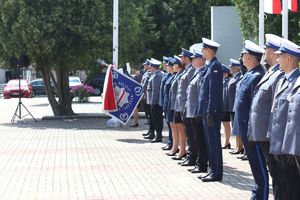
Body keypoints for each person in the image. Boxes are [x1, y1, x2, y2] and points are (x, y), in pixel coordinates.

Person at [247, 34, 284, 200]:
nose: (265, 54)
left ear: (274, 54)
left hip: (268, 134)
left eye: (267, 51)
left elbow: (275, 107)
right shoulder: (270, 72)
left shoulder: (278, 75)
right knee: (275, 175)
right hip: (261, 132)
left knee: (278, 176)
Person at [267, 39, 300, 200]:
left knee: (291, 186)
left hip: (288, 145)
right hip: (276, 141)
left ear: (290, 58)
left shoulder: (296, 81)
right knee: (279, 183)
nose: (277, 59)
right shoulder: (281, 80)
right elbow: (274, 111)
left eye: (280, 56)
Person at [233, 40, 266, 199]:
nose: (242, 58)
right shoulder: (249, 74)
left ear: (251, 57)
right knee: (253, 164)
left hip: (252, 129)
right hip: (245, 127)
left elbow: (256, 106)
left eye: (244, 55)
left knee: (259, 166)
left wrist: (252, 129)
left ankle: (262, 194)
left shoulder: (258, 75)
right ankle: (257, 192)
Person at [197, 38, 223, 182]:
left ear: (209, 50)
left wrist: (211, 111)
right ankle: (212, 170)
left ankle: (216, 172)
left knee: (213, 142)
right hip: (207, 111)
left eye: (203, 49)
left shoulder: (215, 66)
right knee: (209, 143)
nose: (202, 52)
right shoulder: (210, 66)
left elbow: (214, 92)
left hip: (211, 112)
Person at [185, 49, 208, 174]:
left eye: (195, 59)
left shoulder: (202, 73)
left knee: (199, 140)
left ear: (201, 60)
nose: (192, 61)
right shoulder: (197, 72)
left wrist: (199, 112)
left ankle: (201, 163)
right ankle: (199, 162)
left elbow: (201, 95)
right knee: (195, 138)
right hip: (191, 111)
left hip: (196, 112)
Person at [175, 48, 196, 166]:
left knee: (191, 135)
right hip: (183, 106)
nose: (180, 59)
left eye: (182, 57)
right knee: (189, 133)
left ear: (187, 58)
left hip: (188, 106)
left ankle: (192, 157)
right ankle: (190, 155)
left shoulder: (191, 71)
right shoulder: (186, 71)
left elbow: (190, 91)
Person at [167, 56, 186, 158]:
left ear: (178, 65)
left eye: (174, 64)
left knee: (180, 128)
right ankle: (175, 147)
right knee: (174, 126)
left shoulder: (181, 75)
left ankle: (182, 150)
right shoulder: (177, 75)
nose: (172, 66)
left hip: (177, 105)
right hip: (173, 104)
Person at [227, 59, 243, 154]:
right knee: (234, 126)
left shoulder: (239, 78)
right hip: (231, 105)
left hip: (235, 104)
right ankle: (237, 146)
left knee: (237, 127)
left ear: (237, 68)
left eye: (232, 67)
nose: (230, 69)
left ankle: (240, 146)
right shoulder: (233, 78)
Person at [146, 58, 164, 143]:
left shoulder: (157, 76)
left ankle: (158, 136)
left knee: (157, 119)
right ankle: (156, 135)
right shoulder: (154, 75)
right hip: (153, 102)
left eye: (151, 66)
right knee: (154, 119)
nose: (150, 68)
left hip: (155, 102)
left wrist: (152, 102)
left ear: (154, 67)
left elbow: (155, 91)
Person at [161, 57, 176, 151]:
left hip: (171, 104)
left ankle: (172, 143)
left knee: (172, 126)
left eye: (168, 65)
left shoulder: (173, 76)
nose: (166, 67)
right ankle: (171, 142)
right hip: (167, 103)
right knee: (169, 125)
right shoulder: (168, 76)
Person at [221, 64, 232, 149]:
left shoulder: (226, 81)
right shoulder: (224, 81)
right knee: (225, 125)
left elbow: (225, 96)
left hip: (225, 107)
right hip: (224, 107)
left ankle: (227, 142)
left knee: (226, 125)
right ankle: (226, 142)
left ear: (226, 74)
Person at [141, 59, 152, 137]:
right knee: (148, 116)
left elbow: (144, 86)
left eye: (146, 65)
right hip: (145, 97)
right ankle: (150, 131)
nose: (144, 66)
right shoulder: (146, 73)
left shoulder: (149, 74)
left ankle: (151, 132)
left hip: (147, 97)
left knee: (150, 116)